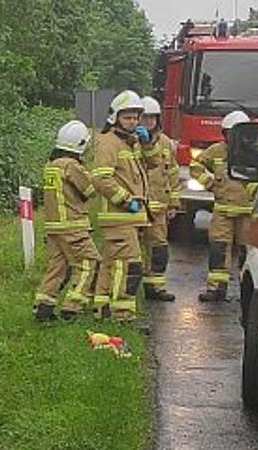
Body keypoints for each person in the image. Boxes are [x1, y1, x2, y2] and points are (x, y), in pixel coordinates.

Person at [87, 90, 153, 324]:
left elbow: (153, 166)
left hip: (126, 219)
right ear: (115, 117)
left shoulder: (130, 143)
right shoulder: (109, 143)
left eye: (136, 117)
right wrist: (126, 200)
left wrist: (146, 144)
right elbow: (100, 178)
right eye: (127, 117)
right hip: (120, 217)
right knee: (128, 267)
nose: (133, 122)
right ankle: (123, 315)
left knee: (110, 265)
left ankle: (102, 309)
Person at [33, 120, 101, 322]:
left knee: (58, 267)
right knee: (88, 262)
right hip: (72, 226)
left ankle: (43, 307)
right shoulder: (71, 166)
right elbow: (90, 191)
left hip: (54, 227)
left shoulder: (51, 166)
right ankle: (73, 307)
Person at [191, 110, 258, 302]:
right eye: (230, 133)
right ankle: (216, 289)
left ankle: (246, 292)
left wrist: (254, 190)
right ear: (225, 134)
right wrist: (209, 183)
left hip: (247, 213)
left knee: (247, 253)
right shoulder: (216, 151)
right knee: (218, 250)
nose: (234, 137)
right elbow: (195, 166)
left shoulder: (255, 152)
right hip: (222, 211)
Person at [137, 96, 180, 302]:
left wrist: (173, 203)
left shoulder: (166, 143)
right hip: (136, 207)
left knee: (158, 250)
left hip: (159, 209)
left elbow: (173, 174)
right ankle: (127, 291)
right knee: (132, 252)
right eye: (144, 117)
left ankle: (155, 288)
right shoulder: (131, 141)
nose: (149, 121)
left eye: (152, 118)